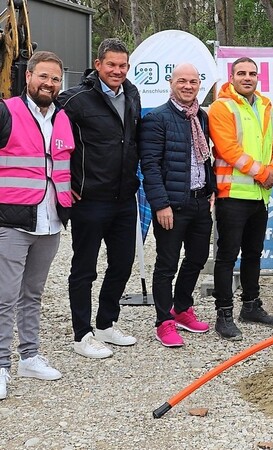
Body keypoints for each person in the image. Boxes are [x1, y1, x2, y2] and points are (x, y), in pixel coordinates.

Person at [59, 38, 141, 359]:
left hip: (124, 198)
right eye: (111, 65)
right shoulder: (74, 100)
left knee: (122, 263)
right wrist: (65, 181)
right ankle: (82, 334)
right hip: (89, 199)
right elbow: (52, 137)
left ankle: (106, 322)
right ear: (98, 64)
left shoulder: (132, 94)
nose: (117, 71)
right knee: (85, 269)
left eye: (122, 66)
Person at [0, 51, 74, 399]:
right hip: (12, 220)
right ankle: (1, 366)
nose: (49, 84)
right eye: (43, 76)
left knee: (33, 295)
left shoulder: (61, 117)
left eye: (55, 79)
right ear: (28, 76)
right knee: (5, 297)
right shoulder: (6, 112)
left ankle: (29, 356)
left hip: (50, 220)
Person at [209, 57, 273, 341]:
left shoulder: (267, 107)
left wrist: (272, 172)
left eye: (252, 73)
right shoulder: (221, 106)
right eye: (241, 73)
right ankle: (224, 314)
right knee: (227, 256)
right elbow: (228, 149)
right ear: (232, 76)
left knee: (254, 253)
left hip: (260, 194)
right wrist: (262, 172)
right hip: (233, 194)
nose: (247, 78)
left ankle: (251, 305)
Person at [140, 63, 214, 347]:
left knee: (196, 259)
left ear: (199, 84)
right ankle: (164, 321)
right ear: (171, 82)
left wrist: (211, 190)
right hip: (172, 206)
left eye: (193, 81)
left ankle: (181, 308)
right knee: (167, 264)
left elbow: (204, 158)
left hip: (199, 203)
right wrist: (160, 204)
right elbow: (150, 165)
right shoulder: (157, 118)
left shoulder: (201, 116)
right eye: (182, 81)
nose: (187, 86)